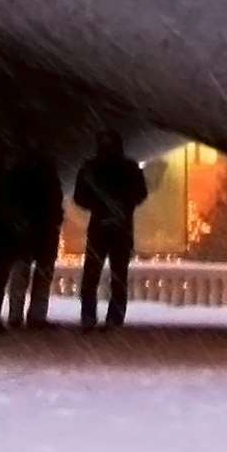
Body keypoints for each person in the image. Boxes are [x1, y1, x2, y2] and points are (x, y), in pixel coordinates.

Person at [72, 131, 150, 330]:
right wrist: (123, 205)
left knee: (92, 274)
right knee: (117, 275)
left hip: (99, 226)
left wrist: (98, 206)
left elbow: (80, 198)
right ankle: (114, 318)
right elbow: (140, 194)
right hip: (121, 227)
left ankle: (89, 317)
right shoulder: (129, 168)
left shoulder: (90, 168)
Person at [0, 154, 67, 329]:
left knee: (20, 276)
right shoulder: (49, 178)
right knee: (40, 277)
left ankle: (16, 316)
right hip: (42, 231)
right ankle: (35, 316)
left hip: (26, 232)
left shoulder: (18, 177)